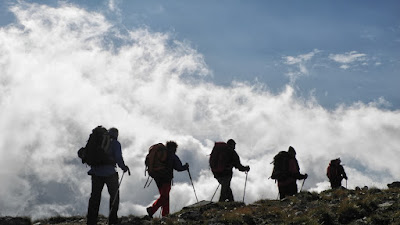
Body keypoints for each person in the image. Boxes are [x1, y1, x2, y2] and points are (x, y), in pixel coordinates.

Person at [87, 127, 130, 225]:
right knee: (114, 196)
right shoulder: (115, 143)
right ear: (116, 135)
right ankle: (113, 220)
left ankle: (91, 221)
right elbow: (118, 158)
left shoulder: (98, 141)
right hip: (110, 173)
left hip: (95, 172)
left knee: (95, 197)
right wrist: (124, 167)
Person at [146, 141, 189, 218]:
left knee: (165, 196)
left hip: (157, 177)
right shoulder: (171, 155)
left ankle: (165, 215)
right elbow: (178, 167)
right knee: (164, 196)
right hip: (166, 178)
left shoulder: (161, 154)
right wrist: (185, 167)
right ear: (174, 148)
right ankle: (152, 210)